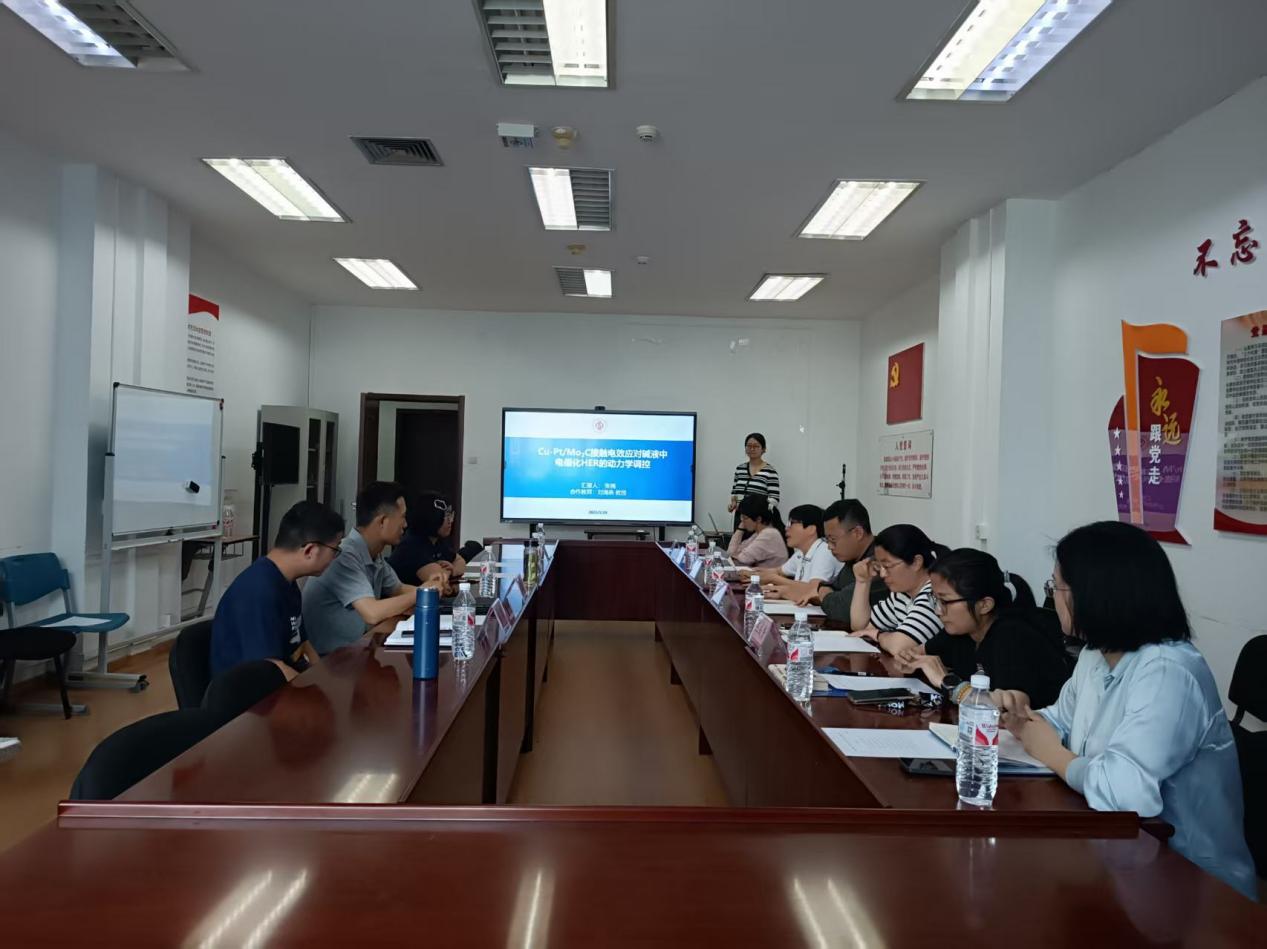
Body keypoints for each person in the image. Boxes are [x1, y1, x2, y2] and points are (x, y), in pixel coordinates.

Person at [994, 521, 1257, 900]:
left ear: (1096, 594)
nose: (1052, 598)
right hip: (1112, 854)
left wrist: (1051, 752)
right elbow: (1059, 722)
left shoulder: (1168, 672)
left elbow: (1125, 793)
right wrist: (1019, 716)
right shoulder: (1095, 654)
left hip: (1189, 883)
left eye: (1057, 587)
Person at [897, 548, 1070, 708]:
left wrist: (945, 681)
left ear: (984, 605)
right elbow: (917, 653)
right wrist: (909, 660)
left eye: (945, 601)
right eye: (934, 599)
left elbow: (1009, 708)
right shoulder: (960, 631)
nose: (938, 610)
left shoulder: (1012, 636)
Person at [209, 500, 344, 678]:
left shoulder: (287, 582)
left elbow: (302, 643)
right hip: (252, 691)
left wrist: (324, 679)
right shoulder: (259, 591)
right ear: (310, 550)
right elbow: (270, 669)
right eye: (335, 550)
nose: (334, 558)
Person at [302, 481, 437, 656]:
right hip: (331, 660)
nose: (405, 524)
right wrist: (423, 593)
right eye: (402, 517)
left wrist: (434, 589)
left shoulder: (374, 554)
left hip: (359, 650)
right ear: (382, 521)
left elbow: (399, 589)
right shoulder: (344, 555)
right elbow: (372, 613)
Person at [766, 499, 886, 622]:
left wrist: (824, 595)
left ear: (857, 533)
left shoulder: (880, 562)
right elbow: (829, 587)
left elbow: (841, 608)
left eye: (833, 540)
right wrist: (825, 592)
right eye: (827, 540)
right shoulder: (853, 558)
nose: (829, 546)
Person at [849, 524, 947, 655]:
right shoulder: (902, 594)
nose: (882, 574)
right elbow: (861, 627)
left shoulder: (935, 596)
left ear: (916, 562)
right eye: (879, 566)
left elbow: (899, 646)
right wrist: (862, 582)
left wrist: (878, 635)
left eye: (887, 566)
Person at [753, 503, 840, 588]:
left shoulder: (824, 551)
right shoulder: (801, 552)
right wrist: (751, 573)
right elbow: (778, 571)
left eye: (791, 523)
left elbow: (813, 589)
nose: (786, 528)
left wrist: (774, 579)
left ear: (811, 529)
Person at [389, 491, 464, 584]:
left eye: (451, 515)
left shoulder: (437, 541)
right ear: (431, 517)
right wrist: (449, 571)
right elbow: (439, 580)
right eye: (446, 516)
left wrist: (453, 570)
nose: (450, 521)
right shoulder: (412, 545)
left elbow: (460, 561)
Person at [728, 433, 780, 528]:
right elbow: (734, 493)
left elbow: (775, 498)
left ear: (763, 449)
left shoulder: (770, 471)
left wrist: (759, 509)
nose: (752, 449)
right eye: (749, 446)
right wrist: (733, 503)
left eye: (756, 446)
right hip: (740, 517)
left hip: (757, 520)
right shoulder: (740, 469)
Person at [725, 494, 787, 568]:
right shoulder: (758, 534)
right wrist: (741, 527)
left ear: (758, 519)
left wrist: (741, 527)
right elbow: (731, 553)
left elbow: (743, 558)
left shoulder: (769, 535)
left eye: (744, 517)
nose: (742, 520)